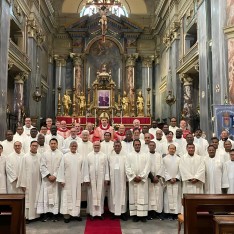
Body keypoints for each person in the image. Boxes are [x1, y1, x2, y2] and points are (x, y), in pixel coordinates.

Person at [37, 138, 63, 222]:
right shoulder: (44, 154)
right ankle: (46, 214)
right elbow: (42, 166)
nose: (53, 145)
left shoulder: (61, 154)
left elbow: (61, 167)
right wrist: (48, 176)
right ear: (49, 144)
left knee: (56, 196)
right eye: (51, 143)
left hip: (56, 180)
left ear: (57, 144)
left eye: (55, 143)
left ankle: (55, 214)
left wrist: (55, 175)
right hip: (47, 180)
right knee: (46, 197)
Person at [57, 141, 83, 223]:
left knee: (76, 197)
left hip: (77, 181)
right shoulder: (65, 156)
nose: (74, 147)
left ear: (77, 147)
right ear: (69, 147)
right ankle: (67, 215)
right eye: (72, 146)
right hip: (67, 181)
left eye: (75, 146)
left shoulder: (80, 156)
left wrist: (81, 180)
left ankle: (76, 214)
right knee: (67, 197)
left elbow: (82, 169)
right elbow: (61, 168)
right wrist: (61, 180)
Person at [83, 141, 109, 220]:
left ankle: (100, 213)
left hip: (101, 179)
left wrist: (106, 178)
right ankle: (92, 213)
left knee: (100, 195)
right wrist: (86, 179)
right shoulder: (88, 156)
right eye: (95, 145)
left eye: (98, 145)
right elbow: (86, 168)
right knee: (91, 195)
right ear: (93, 146)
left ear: (100, 146)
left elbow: (106, 167)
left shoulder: (104, 156)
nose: (96, 147)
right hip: (91, 179)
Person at [125, 139, 150, 222]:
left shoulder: (145, 155)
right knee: (134, 197)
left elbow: (147, 167)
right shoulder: (129, 155)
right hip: (133, 181)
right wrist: (133, 176)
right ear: (133, 145)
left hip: (142, 181)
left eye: (138, 144)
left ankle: (142, 216)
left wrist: (141, 176)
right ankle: (135, 215)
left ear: (140, 145)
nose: (137, 146)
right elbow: (127, 167)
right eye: (136, 145)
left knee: (142, 197)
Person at [17, 141, 42, 222]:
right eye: (33, 145)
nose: (34, 147)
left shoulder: (39, 156)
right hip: (28, 183)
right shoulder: (25, 157)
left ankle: (36, 215)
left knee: (37, 197)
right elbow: (22, 171)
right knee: (29, 199)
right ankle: (27, 217)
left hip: (37, 181)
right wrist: (23, 184)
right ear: (30, 146)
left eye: (36, 146)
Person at [108, 141, 127, 220]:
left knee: (122, 195)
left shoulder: (125, 157)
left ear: (121, 147)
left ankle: (122, 213)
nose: (117, 147)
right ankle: (113, 212)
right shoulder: (110, 157)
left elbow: (127, 168)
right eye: (115, 146)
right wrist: (108, 178)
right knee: (113, 195)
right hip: (113, 180)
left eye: (118, 146)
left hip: (122, 179)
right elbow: (107, 169)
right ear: (113, 147)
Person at [163, 144, 181, 221]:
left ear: (175, 150)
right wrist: (169, 178)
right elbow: (163, 169)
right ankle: (168, 213)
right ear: (168, 149)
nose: (172, 150)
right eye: (170, 148)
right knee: (168, 197)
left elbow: (181, 169)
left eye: (173, 149)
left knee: (176, 197)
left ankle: (176, 214)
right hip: (168, 181)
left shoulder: (179, 159)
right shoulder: (164, 159)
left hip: (176, 181)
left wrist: (176, 178)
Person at [147, 141, 164, 220]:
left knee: (158, 196)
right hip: (150, 179)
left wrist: (157, 176)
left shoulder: (159, 155)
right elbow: (145, 167)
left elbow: (162, 166)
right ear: (148, 146)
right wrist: (151, 177)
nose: (152, 146)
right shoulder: (145, 155)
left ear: (155, 146)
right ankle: (150, 213)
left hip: (158, 179)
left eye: (153, 145)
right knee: (150, 196)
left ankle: (158, 213)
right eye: (150, 145)